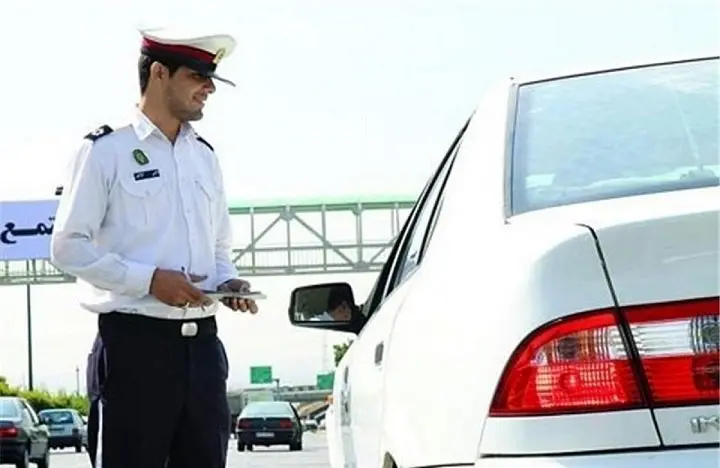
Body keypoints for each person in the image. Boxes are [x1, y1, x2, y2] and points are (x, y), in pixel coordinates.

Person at [50, 27, 257, 468]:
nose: (209, 88)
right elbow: (68, 247)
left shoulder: (205, 156)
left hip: (203, 350)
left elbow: (219, 247)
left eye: (211, 79)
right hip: (134, 347)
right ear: (159, 73)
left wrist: (228, 282)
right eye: (198, 76)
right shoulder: (106, 150)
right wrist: (148, 281)